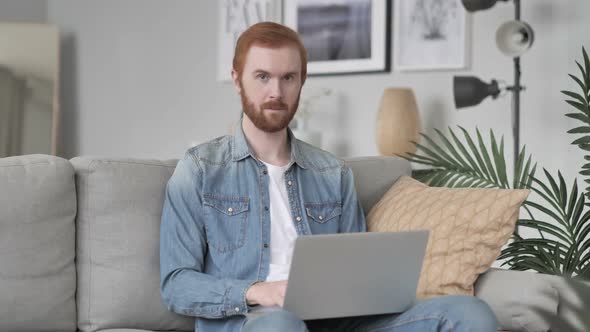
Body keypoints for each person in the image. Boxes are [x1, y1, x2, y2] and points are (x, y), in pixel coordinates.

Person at [160, 21, 498, 332]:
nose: (276, 92)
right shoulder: (201, 169)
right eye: (262, 76)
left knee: (470, 314)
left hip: (336, 322)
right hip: (251, 322)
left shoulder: (332, 173)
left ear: (301, 81)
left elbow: (356, 271)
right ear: (238, 80)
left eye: (288, 78)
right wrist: (257, 291)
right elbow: (176, 284)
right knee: (282, 325)